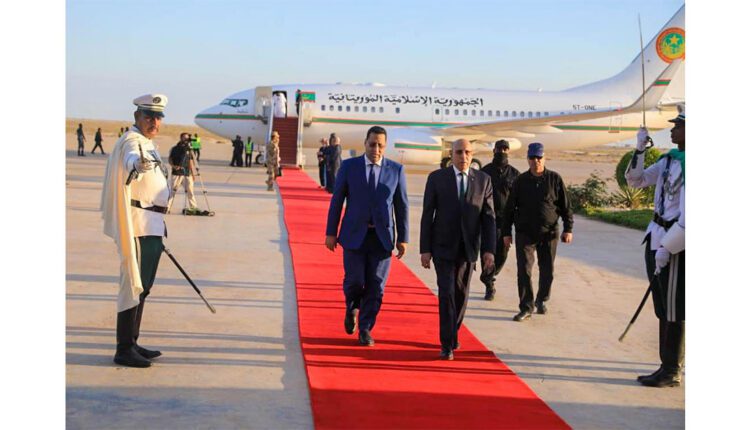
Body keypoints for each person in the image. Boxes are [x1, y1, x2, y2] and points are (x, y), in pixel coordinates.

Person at [100, 93, 170, 368]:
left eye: (159, 116)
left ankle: (133, 341)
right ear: (137, 117)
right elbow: (131, 160)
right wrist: (136, 165)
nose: (154, 121)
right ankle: (124, 348)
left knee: (143, 287)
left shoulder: (146, 142)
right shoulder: (132, 141)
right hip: (139, 224)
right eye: (149, 116)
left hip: (152, 224)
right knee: (132, 285)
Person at [326, 126, 409, 347]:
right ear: (365, 143)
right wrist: (331, 232)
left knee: (376, 285)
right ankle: (352, 306)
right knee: (354, 281)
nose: (376, 149)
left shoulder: (396, 170)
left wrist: (403, 238)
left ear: (385, 146)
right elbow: (337, 201)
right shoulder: (349, 167)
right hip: (354, 235)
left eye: (380, 145)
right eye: (372, 144)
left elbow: (401, 206)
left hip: (382, 238)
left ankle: (365, 329)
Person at [625, 108, 685, 388]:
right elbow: (635, 180)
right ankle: (665, 365)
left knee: (674, 308)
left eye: (678, 126)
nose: (672, 130)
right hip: (656, 235)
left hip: (675, 244)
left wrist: (669, 247)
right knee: (662, 307)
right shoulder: (669, 160)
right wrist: (639, 150)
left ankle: (672, 370)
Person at [420, 138, 495, 360]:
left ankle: (452, 334)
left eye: (467, 152)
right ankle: (446, 344)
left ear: (472, 155)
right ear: (451, 154)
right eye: (459, 152)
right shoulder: (437, 178)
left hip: (468, 249)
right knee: (446, 294)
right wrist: (425, 249)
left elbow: (489, 218)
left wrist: (489, 250)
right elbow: (427, 215)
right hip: (442, 247)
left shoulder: (483, 180)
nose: (464, 156)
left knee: (461, 295)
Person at [502, 142, 573, 322]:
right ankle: (526, 306)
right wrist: (506, 233)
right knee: (524, 270)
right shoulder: (520, 181)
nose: (536, 161)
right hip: (525, 233)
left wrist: (568, 229)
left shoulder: (554, 179)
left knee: (547, 270)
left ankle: (541, 299)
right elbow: (509, 208)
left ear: (544, 158)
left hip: (549, 233)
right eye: (532, 158)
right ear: (528, 159)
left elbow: (565, 206)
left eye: (539, 157)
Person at [479, 140, 519, 300]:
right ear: (494, 150)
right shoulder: (484, 172)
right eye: (499, 149)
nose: (502, 152)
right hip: (487, 219)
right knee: (487, 251)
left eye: (505, 149)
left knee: (502, 253)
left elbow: (519, 199)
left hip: (505, 221)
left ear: (508, 151)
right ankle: (489, 285)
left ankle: (489, 275)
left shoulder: (515, 174)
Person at [167, 132, 198, 213]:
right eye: (184, 137)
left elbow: (190, 161)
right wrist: (173, 166)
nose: (186, 139)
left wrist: (193, 173)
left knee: (190, 191)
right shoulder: (174, 148)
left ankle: (193, 207)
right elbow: (170, 159)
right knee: (172, 191)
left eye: (187, 138)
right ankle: (167, 208)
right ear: (181, 138)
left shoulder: (189, 149)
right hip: (176, 173)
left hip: (187, 173)